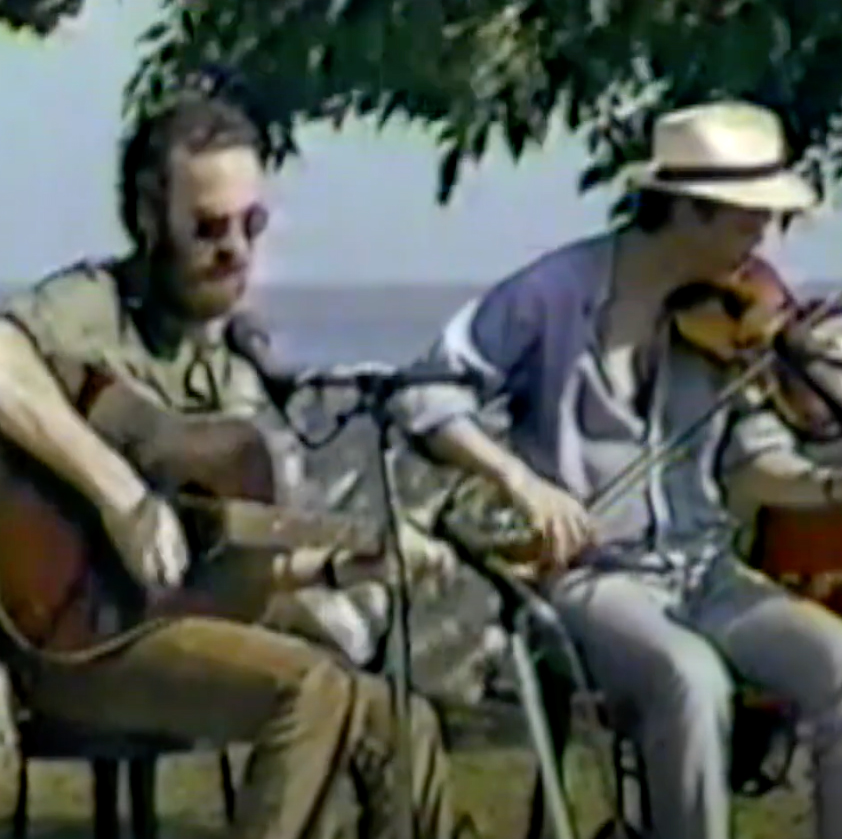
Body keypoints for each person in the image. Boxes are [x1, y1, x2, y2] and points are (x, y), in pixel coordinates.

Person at [0, 93, 456, 839]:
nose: (236, 249)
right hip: (71, 632)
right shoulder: (94, 306)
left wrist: (354, 562)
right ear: (148, 222)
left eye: (253, 225)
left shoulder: (236, 366)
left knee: (400, 717)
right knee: (310, 689)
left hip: (169, 622)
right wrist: (116, 493)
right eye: (209, 228)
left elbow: (229, 557)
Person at [394, 100, 842, 839]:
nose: (766, 237)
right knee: (688, 677)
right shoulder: (554, 292)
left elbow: (755, 462)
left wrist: (825, 488)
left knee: (835, 661)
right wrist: (523, 482)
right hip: (591, 577)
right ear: (690, 211)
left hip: (708, 575)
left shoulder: (735, 317)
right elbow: (426, 389)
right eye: (748, 218)